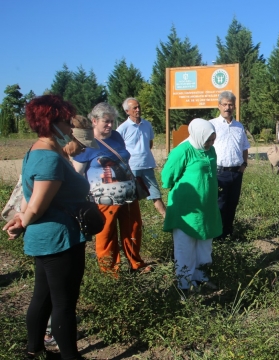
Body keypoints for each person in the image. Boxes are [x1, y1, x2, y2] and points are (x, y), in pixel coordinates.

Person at [2, 95, 92, 359]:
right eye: (66, 120)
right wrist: (22, 223)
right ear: (53, 121)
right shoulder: (49, 158)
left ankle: (35, 350)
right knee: (64, 304)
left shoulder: (38, 150)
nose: (70, 127)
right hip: (58, 239)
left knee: (42, 296)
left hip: (49, 237)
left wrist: (22, 219)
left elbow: (30, 198)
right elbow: (38, 203)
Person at [72, 102, 148, 275]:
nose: (110, 125)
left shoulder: (116, 136)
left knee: (134, 229)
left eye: (112, 121)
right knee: (106, 235)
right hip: (103, 199)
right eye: (106, 121)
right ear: (94, 121)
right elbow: (77, 174)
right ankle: (110, 272)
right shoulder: (85, 143)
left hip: (129, 194)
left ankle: (136, 263)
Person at [161, 119, 222, 291]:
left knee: (204, 245)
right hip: (186, 209)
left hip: (207, 208)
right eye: (208, 140)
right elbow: (167, 177)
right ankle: (185, 284)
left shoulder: (211, 150)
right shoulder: (183, 151)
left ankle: (201, 277)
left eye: (212, 139)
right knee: (185, 247)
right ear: (198, 135)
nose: (210, 143)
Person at [209, 91, 250, 239]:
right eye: (224, 104)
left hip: (236, 172)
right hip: (219, 172)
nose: (228, 107)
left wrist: (244, 165)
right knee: (219, 205)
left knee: (232, 204)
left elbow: (245, 147)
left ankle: (228, 234)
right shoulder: (211, 125)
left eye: (230, 104)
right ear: (219, 106)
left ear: (234, 106)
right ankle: (217, 236)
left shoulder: (239, 126)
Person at [116, 97, 166, 217]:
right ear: (127, 111)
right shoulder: (122, 128)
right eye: (135, 108)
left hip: (147, 164)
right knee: (131, 197)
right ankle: (133, 223)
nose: (138, 110)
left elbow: (150, 143)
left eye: (139, 107)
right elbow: (117, 147)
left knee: (155, 194)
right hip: (131, 167)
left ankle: (167, 220)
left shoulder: (147, 124)